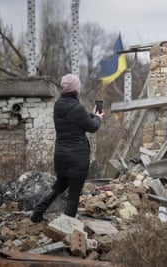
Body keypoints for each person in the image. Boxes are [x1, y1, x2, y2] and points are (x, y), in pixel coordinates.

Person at [30, 74, 104, 223]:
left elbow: (74, 120)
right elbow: (92, 127)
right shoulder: (77, 108)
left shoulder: (58, 105)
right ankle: (66, 226)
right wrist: (98, 118)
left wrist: (91, 115)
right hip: (77, 158)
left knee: (60, 184)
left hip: (61, 157)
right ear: (75, 88)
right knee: (73, 194)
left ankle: (37, 212)